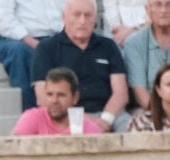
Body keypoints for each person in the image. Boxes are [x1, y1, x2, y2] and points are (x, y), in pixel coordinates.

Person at [29, 0, 127, 129]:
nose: (82, 21)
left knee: (131, 128)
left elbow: (121, 93)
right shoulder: (47, 48)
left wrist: (105, 120)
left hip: (108, 113)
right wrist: (87, 120)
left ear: (95, 19)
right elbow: (42, 98)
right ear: (64, 17)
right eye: (77, 15)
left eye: (88, 15)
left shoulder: (108, 46)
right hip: (65, 116)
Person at [0, 0, 62, 110]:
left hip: (54, 37)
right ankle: (30, 116)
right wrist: (39, 46)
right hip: (15, 39)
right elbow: (3, 20)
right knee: (20, 52)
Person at [11, 67, 104, 134]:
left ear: (75, 97)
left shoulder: (88, 127)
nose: (54, 101)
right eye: (50, 94)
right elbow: (13, 150)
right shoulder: (32, 118)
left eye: (61, 95)